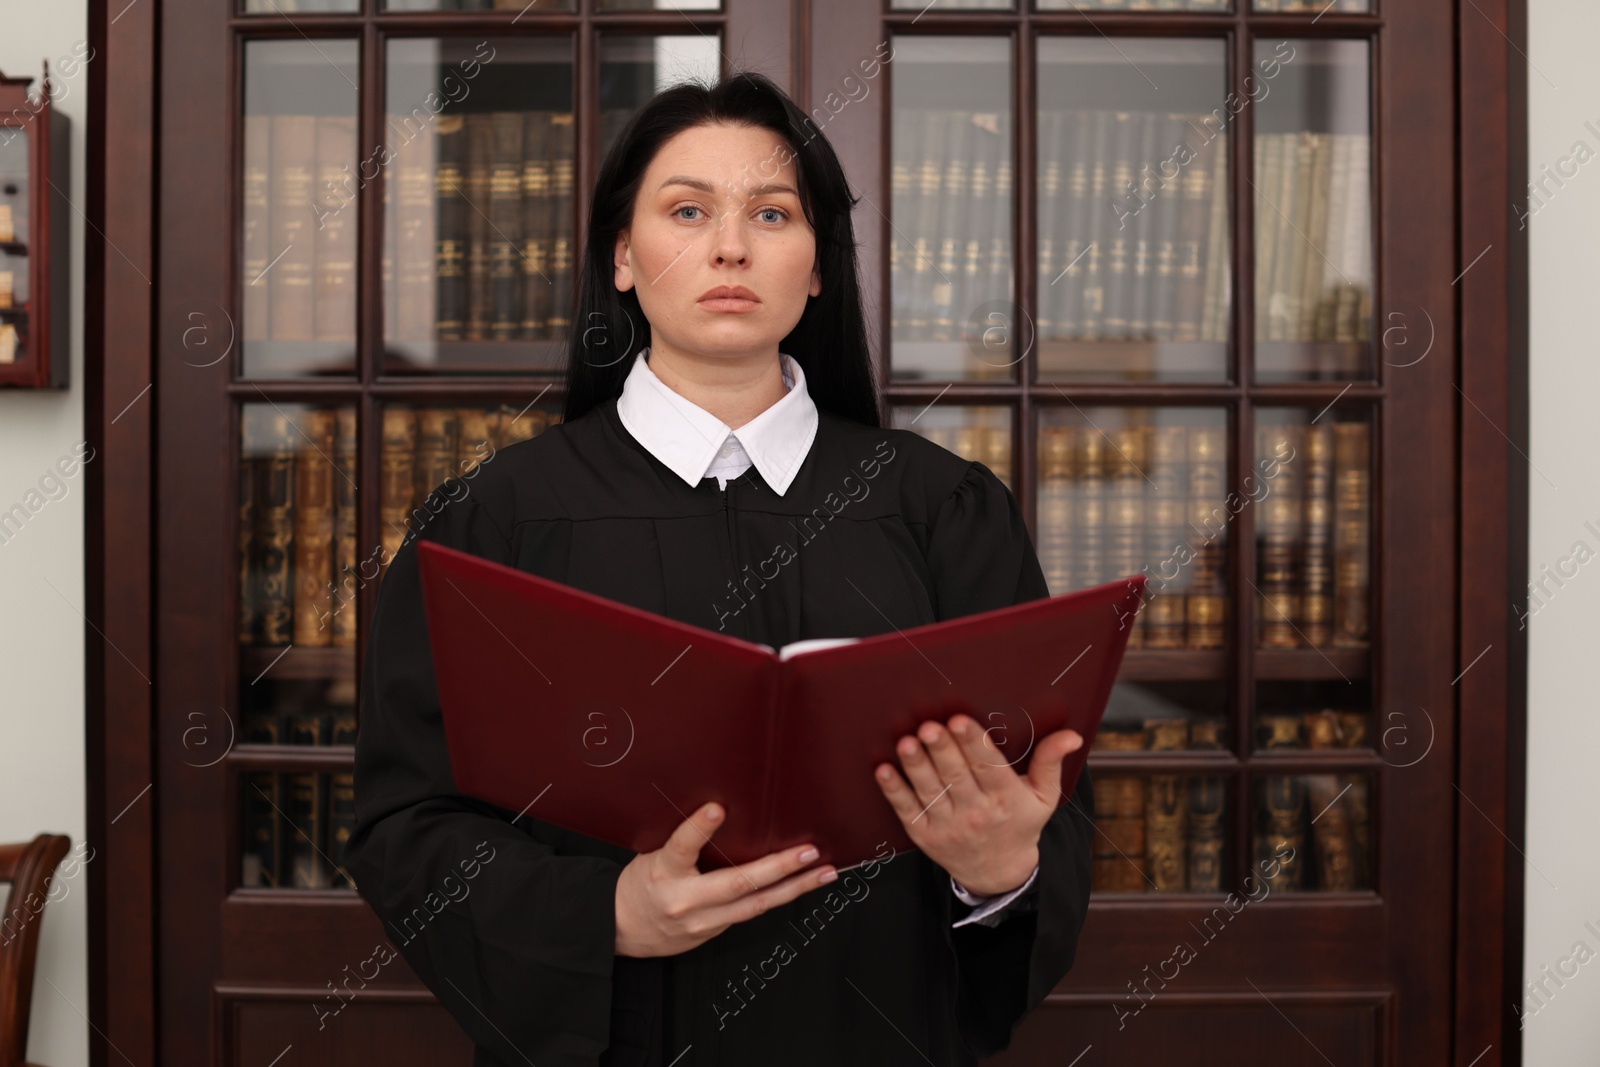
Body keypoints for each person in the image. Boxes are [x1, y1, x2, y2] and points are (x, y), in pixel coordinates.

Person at [346, 69, 1094, 1067]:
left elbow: (1053, 797)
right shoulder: (497, 518)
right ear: (622, 255)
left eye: (772, 212)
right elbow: (407, 822)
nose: (730, 244)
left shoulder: (940, 508)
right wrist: (604, 909)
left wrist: (1000, 869)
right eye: (687, 209)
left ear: (818, 263)